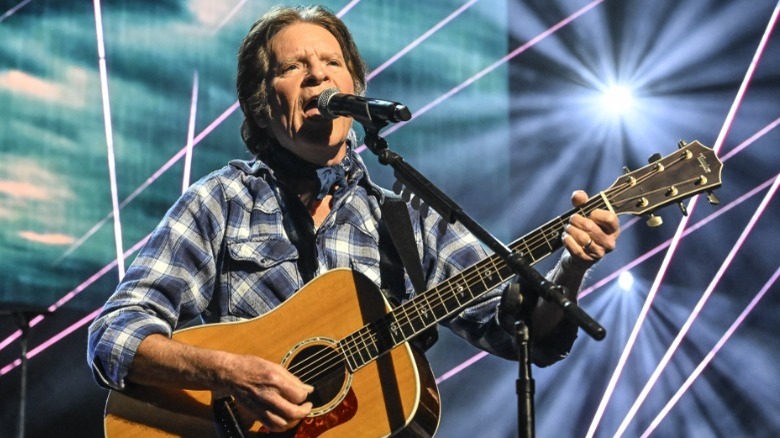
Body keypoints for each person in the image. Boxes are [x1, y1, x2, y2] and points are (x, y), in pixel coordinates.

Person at [87, 4, 620, 435]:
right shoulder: (220, 202)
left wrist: (571, 265)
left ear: (356, 90)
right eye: (293, 67)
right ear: (259, 106)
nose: (317, 73)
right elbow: (114, 335)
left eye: (331, 63)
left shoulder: (405, 219)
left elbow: (519, 329)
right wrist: (230, 374)